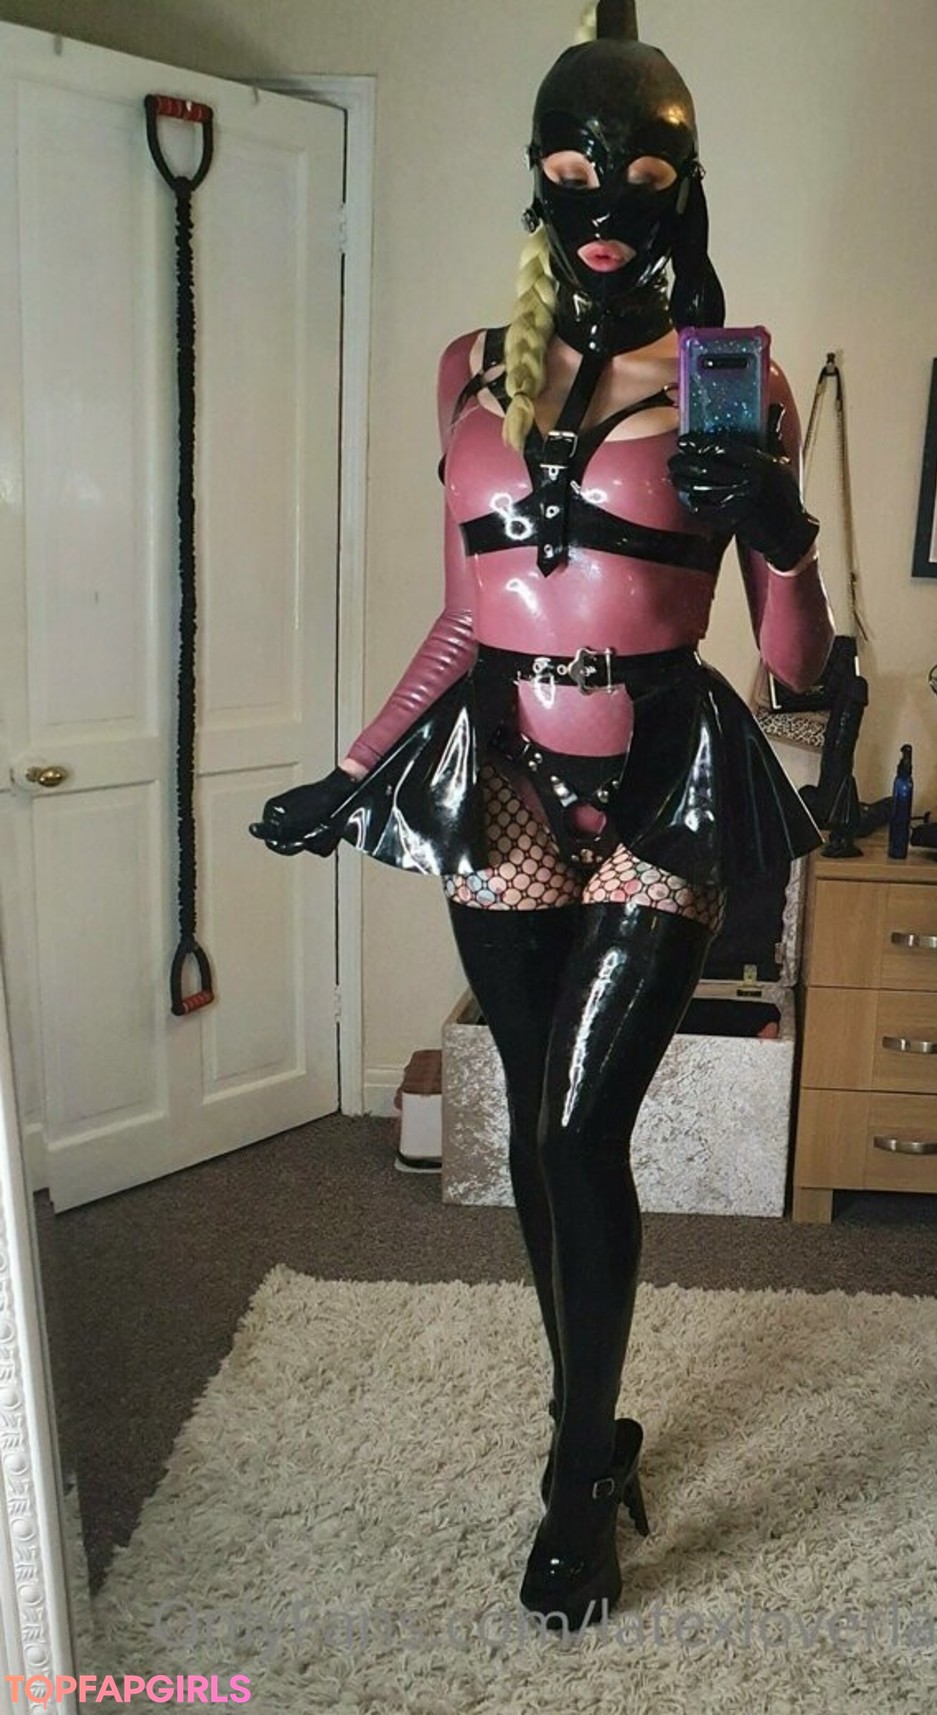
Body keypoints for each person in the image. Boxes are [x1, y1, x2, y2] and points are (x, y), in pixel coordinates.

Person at [250, 0, 834, 1631]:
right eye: (574, 170)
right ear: (537, 176)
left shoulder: (735, 378)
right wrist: (356, 766)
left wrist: (782, 528)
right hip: (501, 771)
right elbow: (464, 619)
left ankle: (579, 1477)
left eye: (642, 174)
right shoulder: (469, 367)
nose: (605, 204)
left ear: (684, 189)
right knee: (530, 1125)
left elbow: (798, 665)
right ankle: (590, 1413)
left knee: (582, 1133)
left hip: (663, 774)